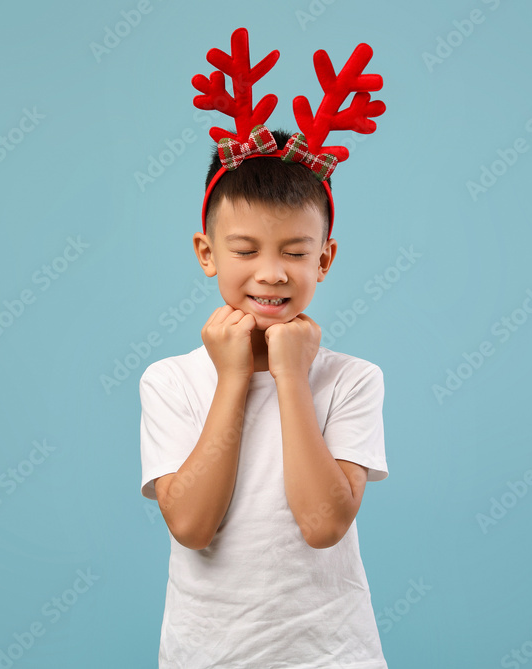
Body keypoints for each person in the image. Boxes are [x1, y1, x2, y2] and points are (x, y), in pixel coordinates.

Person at [139, 28, 389, 667]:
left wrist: (292, 378)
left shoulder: (352, 380)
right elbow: (191, 526)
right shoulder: (170, 381)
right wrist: (232, 379)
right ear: (207, 253)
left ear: (324, 259)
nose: (271, 273)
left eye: (295, 253)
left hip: (332, 655)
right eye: (246, 250)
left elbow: (323, 525)